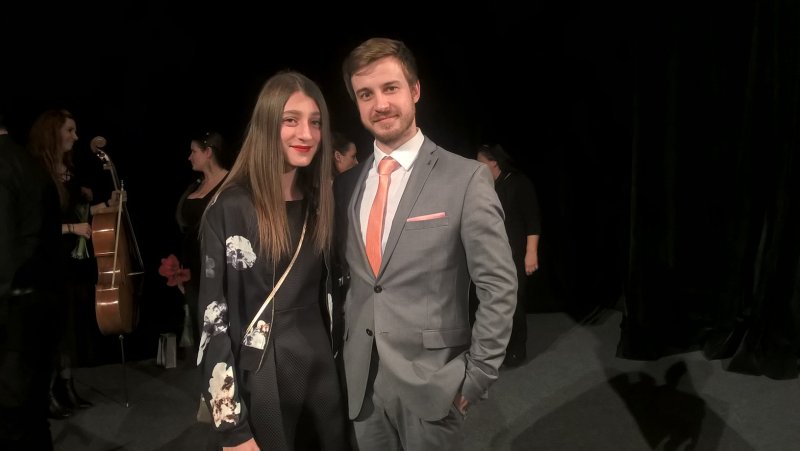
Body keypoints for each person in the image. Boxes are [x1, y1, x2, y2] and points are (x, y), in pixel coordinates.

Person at [333, 37, 518, 450]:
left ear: (415, 90)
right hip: (362, 385)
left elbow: (499, 286)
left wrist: (477, 377)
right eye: (366, 94)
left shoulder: (466, 178)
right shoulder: (346, 186)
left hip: (434, 386)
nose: (380, 104)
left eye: (390, 88)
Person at [197, 71, 347, 450]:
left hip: (322, 367)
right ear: (266, 124)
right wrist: (231, 426)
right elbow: (213, 320)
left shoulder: (321, 203)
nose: (307, 134)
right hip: (262, 371)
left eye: (315, 122)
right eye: (290, 120)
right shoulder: (230, 207)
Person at [27, 108, 119, 418]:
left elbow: (79, 211)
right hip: (47, 259)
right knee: (51, 330)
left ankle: (66, 387)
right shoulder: (37, 171)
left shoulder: (66, 169)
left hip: (69, 261)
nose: (76, 137)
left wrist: (106, 205)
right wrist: (72, 229)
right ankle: (48, 393)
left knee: (66, 328)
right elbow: (36, 225)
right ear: (53, 132)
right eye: (70, 130)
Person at [1, 113, 62, 450]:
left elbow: (5, 257)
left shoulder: (5, 166)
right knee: (33, 418)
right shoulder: (31, 166)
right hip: (40, 306)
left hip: (13, 316)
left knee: (14, 420)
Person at [476, 143, 542, 367]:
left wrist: (531, 253)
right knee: (492, 303)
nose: (477, 166)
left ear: (494, 162)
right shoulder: (486, 186)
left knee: (513, 302)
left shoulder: (519, 183)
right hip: (490, 253)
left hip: (514, 253)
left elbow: (532, 220)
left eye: (481, 162)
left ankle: (517, 348)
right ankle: (496, 348)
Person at [174, 130, 232, 357]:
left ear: (208, 152)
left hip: (222, 273)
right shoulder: (195, 187)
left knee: (223, 334)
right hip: (194, 274)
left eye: (194, 151)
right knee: (204, 336)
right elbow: (185, 230)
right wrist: (180, 271)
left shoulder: (231, 183)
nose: (189, 157)